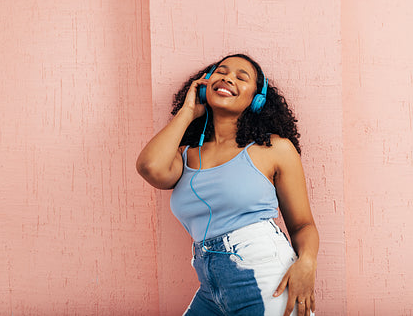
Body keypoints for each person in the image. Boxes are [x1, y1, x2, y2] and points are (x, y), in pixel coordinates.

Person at [136, 53, 319, 316]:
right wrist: (188, 111)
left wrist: (307, 263)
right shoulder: (184, 155)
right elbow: (149, 167)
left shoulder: (275, 149)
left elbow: (303, 224)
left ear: (256, 99)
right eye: (221, 72)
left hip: (265, 274)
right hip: (210, 285)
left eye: (241, 77)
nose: (228, 78)